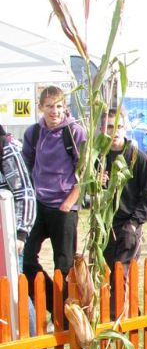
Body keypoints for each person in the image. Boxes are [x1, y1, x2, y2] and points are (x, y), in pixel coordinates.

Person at [21, 85, 87, 315]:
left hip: (64, 207)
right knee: (25, 259)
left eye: (59, 106)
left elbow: (86, 172)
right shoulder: (34, 133)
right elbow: (26, 165)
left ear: (65, 108)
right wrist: (33, 192)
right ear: (40, 108)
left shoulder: (75, 132)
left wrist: (70, 201)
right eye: (49, 106)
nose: (54, 111)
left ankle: (67, 317)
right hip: (39, 205)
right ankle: (54, 307)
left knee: (64, 265)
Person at [99, 108, 147, 317]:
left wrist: (133, 224)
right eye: (109, 127)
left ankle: (117, 316)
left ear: (126, 127)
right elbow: (90, 193)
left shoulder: (139, 159)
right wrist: (99, 185)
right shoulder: (99, 158)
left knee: (121, 270)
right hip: (106, 224)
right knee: (110, 273)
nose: (114, 132)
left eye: (118, 127)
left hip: (129, 224)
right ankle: (131, 311)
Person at [0, 124, 36, 336]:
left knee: (15, 290)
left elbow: (25, 192)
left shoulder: (6, 148)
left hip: (8, 233)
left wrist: (22, 232)